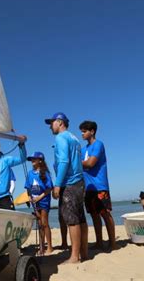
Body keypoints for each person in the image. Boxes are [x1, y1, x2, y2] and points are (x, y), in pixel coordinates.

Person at [45, 112, 88, 263]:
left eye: (52, 123)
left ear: (60, 122)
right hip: (79, 181)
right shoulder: (74, 138)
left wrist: (57, 184)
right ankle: (84, 253)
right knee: (80, 217)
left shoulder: (61, 137)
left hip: (69, 183)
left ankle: (75, 257)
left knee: (72, 219)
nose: (50, 126)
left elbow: (63, 161)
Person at [80, 120, 117, 251]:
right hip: (88, 187)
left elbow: (90, 163)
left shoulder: (98, 144)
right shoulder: (83, 149)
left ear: (92, 131)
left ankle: (113, 243)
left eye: (84, 131)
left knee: (105, 214)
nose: (82, 134)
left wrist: (77, 162)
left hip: (100, 185)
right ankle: (99, 242)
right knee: (94, 215)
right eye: (82, 132)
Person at [25, 151, 54, 256]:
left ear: (40, 160)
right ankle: (42, 247)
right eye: (31, 159)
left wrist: (39, 197)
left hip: (44, 200)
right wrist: (29, 198)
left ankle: (50, 247)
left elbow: (49, 188)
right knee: (40, 224)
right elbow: (28, 188)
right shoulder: (29, 173)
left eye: (34, 159)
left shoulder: (45, 173)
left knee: (45, 223)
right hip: (34, 202)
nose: (32, 160)